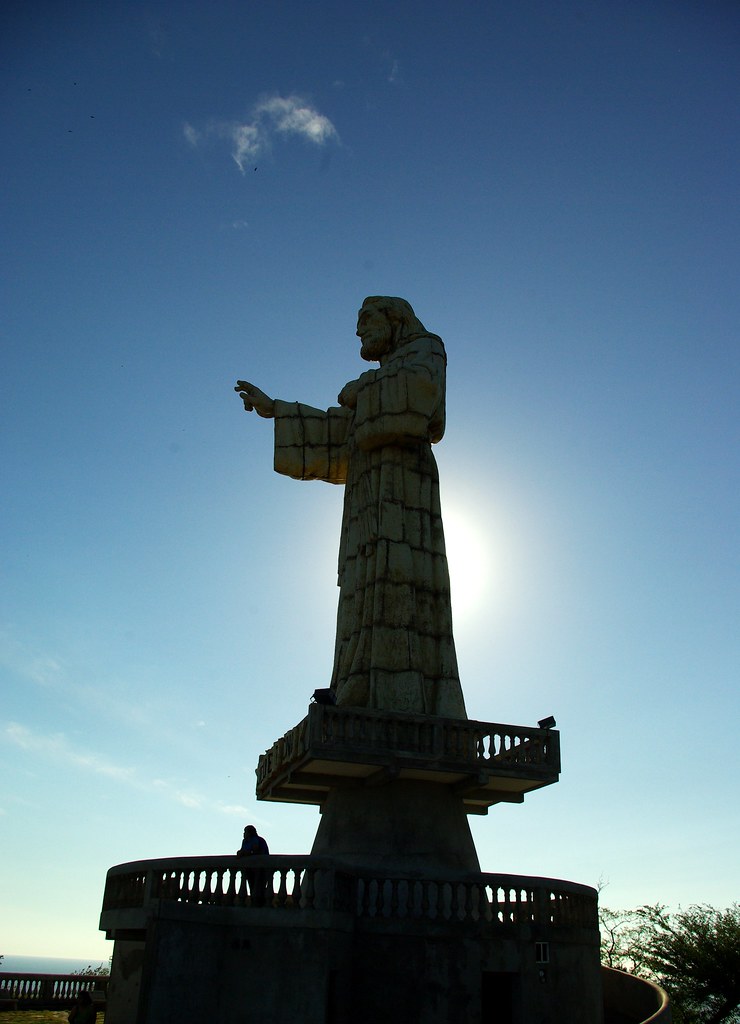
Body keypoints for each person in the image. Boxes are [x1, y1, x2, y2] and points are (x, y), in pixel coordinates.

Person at [235, 296, 467, 719]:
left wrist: (362, 388)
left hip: (404, 486)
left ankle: (407, 699)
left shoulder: (425, 347)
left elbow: (421, 402)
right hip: (367, 493)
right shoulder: (382, 376)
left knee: (399, 579)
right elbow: (346, 430)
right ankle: (357, 684)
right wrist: (277, 411)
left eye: (366, 321)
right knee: (364, 583)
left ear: (393, 320)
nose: (359, 331)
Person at [236, 824, 270, 906]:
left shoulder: (257, 840)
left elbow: (255, 851)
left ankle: (259, 905)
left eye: (245, 832)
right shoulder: (245, 841)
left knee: (259, 888)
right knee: (252, 887)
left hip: (260, 868)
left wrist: (244, 853)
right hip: (249, 868)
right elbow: (242, 851)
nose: (243, 834)